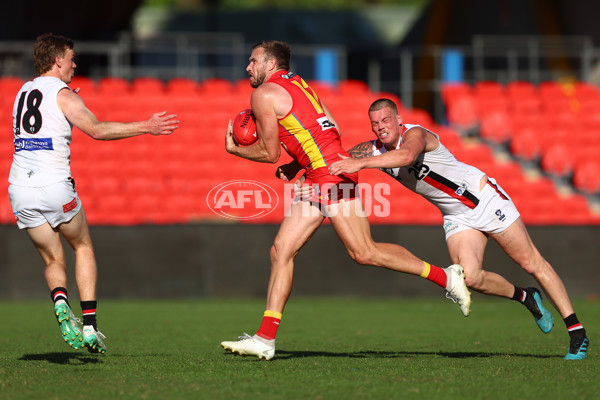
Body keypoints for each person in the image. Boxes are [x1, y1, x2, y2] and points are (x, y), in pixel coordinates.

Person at [220, 40, 471, 361]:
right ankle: (265, 339)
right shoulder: (299, 85)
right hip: (319, 173)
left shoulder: (263, 94)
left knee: (364, 252)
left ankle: (447, 277)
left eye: (253, 61)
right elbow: (332, 126)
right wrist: (299, 164)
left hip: (330, 175)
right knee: (281, 249)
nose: (248, 67)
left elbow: (268, 153)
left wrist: (234, 149)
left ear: (270, 65)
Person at [325, 98, 589, 360]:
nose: (381, 127)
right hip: (457, 216)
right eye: (375, 123)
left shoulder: (416, 134)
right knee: (470, 278)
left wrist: (359, 164)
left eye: (385, 120)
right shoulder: (373, 150)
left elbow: (406, 156)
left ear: (398, 119)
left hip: (483, 199)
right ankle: (527, 298)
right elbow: (339, 160)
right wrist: (300, 171)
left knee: (531, 262)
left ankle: (576, 332)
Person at [8, 33, 179, 354]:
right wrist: (147, 126)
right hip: (54, 185)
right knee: (82, 245)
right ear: (58, 60)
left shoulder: (22, 91)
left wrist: (67, 97)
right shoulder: (64, 95)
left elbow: (42, 116)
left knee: (51, 257)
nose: (75, 64)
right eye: (71, 58)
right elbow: (97, 130)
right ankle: (90, 326)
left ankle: (60, 301)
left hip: (20, 189)